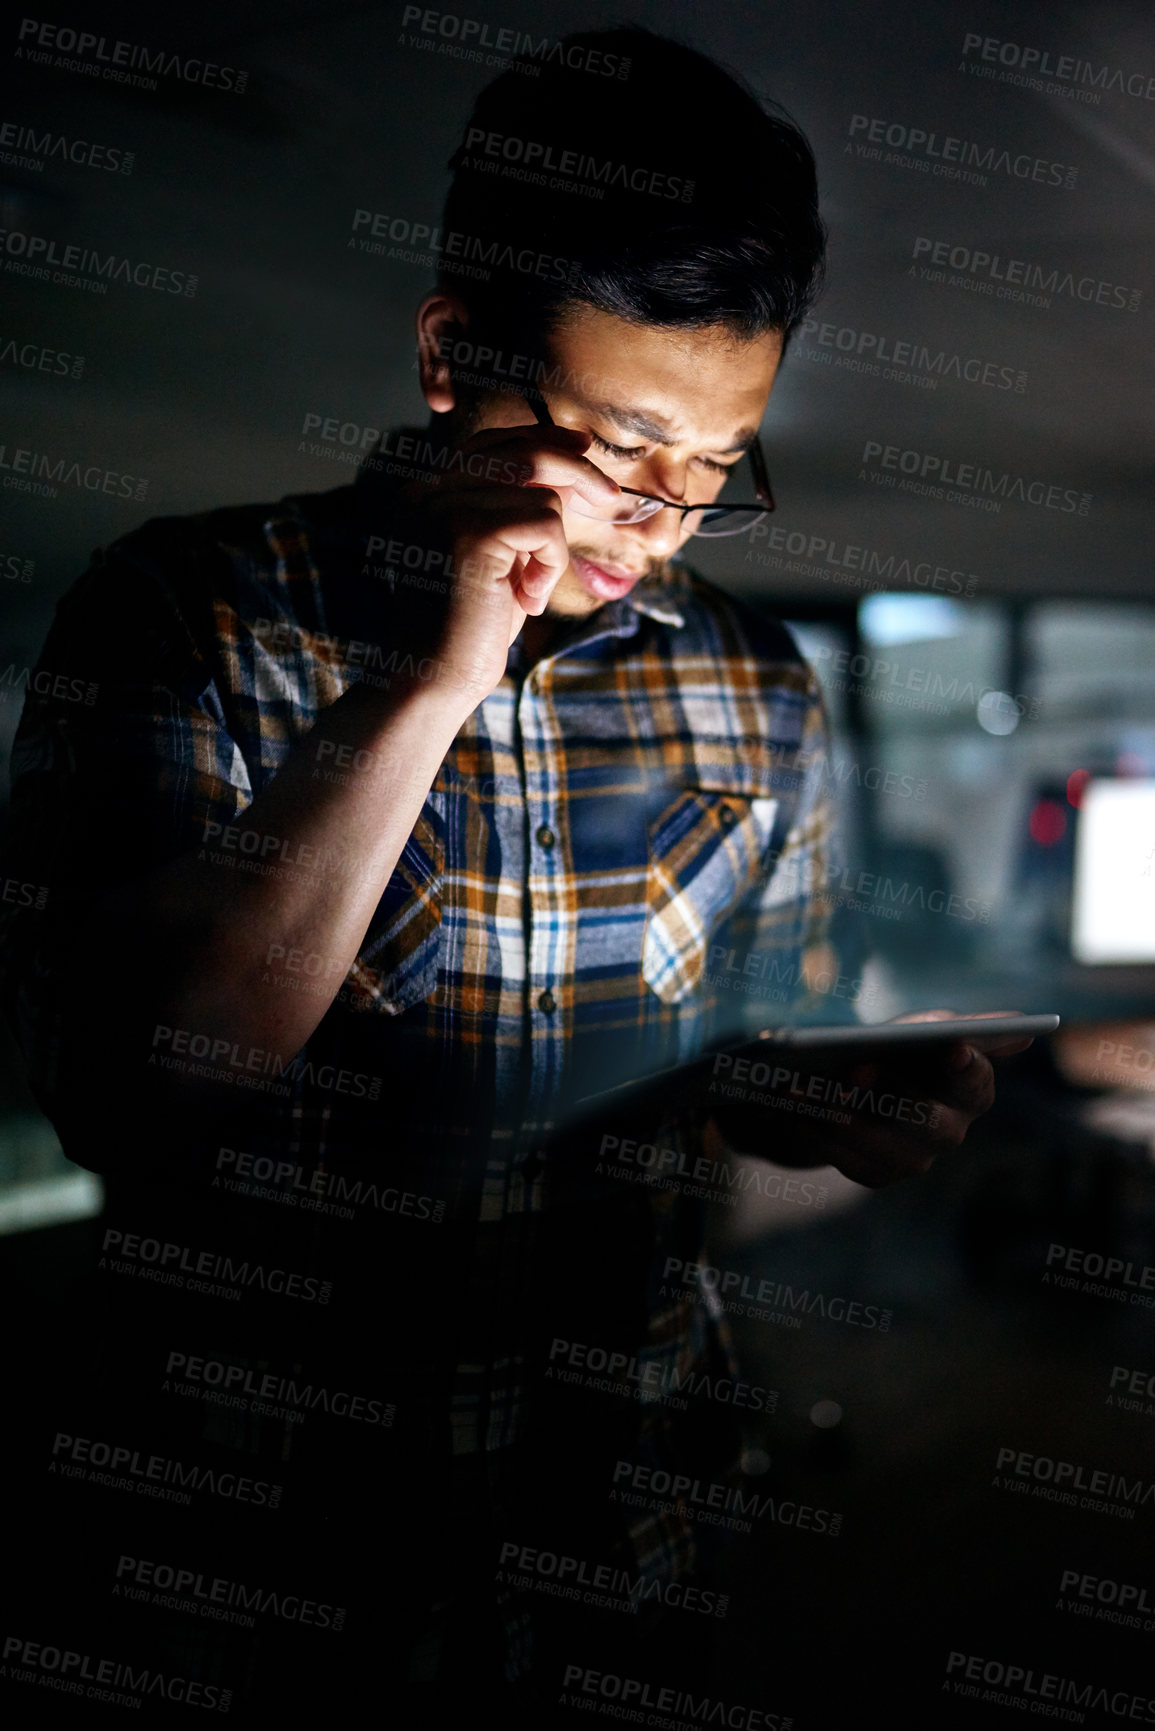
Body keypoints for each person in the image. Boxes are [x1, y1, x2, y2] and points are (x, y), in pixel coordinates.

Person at [0, 25, 1028, 1719]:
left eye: (715, 468)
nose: (664, 521)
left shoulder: (753, 684)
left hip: (630, 1524)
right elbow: (130, 1090)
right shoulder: (181, 617)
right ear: (451, 354)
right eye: (627, 449)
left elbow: (768, 1040)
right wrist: (432, 679)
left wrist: (840, 1103)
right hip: (256, 1547)